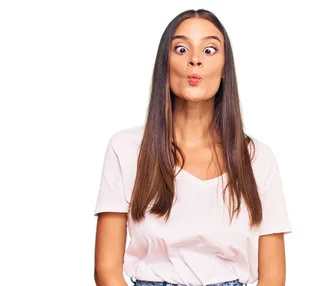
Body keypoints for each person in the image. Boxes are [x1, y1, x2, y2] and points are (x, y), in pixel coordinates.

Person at [93, 9, 292, 286]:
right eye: (182, 48)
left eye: (209, 50)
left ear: (225, 70)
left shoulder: (257, 159)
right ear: (165, 63)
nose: (195, 60)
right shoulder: (126, 149)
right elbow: (106, 270)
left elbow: (273, 277)